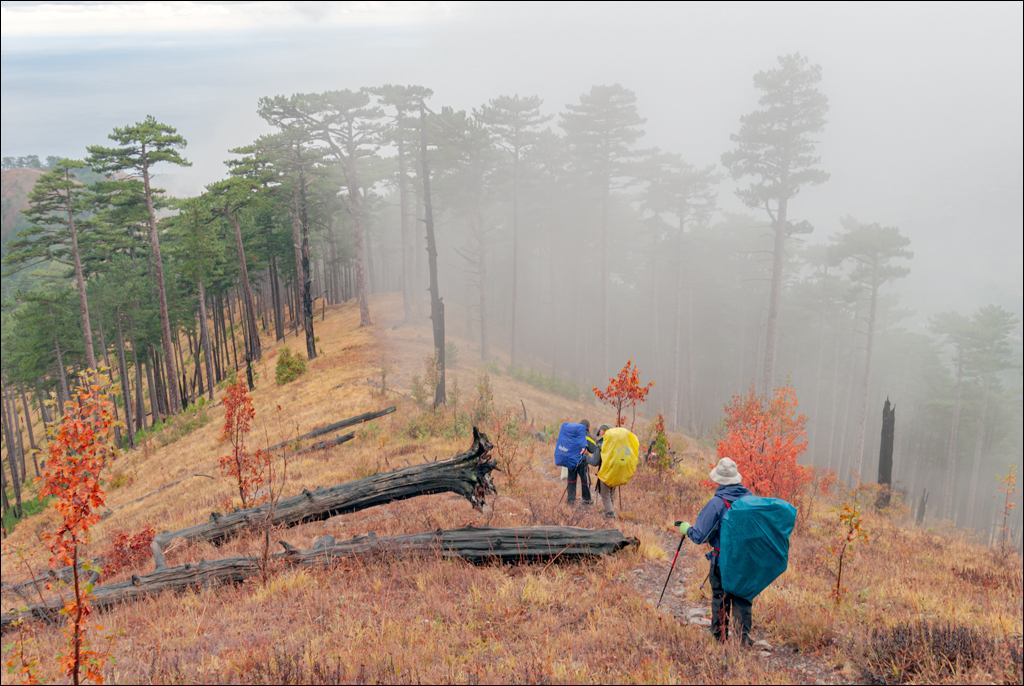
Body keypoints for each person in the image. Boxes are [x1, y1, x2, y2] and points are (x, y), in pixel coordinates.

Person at [678, 457, 754, 644]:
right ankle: (742, 639)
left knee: (720, 596)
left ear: (719, 480)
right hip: (745, 560)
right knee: (742, 597)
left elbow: (699, 536)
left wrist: (686, 528)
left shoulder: (717, 504)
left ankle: (719, 636)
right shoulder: (751, 500)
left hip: (722, 560)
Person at [585, 424, 617, 518]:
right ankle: (609, 512)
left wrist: (586, 455)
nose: (598, 431)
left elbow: (594, 462)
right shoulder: (614, 443)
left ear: (603, 431)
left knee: (605, 494)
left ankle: (611, 514)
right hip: (615, 472)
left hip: (605, 472)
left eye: (600, 430)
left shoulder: (601, 444)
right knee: (611, 493)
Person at [566, 419, 595, 506]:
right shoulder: (586, 434)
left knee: (571, 480)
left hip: (571, 460)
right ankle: (586, 500)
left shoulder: (572, 432)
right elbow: (593, 449)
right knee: (585, 480)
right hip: (582, 462)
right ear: (588, 427)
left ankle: (570, 500)